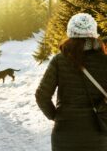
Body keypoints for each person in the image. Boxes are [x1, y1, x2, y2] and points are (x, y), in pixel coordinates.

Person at [35, 13, 107, 151]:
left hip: (64, 134)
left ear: (70, 33)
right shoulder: (105, 61)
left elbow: (41, 96)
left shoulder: (58, 61)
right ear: (94, 34)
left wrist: (56, 116)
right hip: (98, 135)